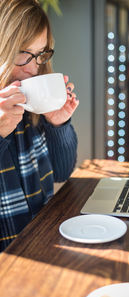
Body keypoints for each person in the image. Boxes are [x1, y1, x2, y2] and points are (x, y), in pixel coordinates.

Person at [0, 0, 79, 251]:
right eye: (23, 52)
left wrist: (59, 123)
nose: (34, 67)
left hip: (44, 246)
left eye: (40, 53)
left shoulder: (30, 111)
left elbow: (61, 172)